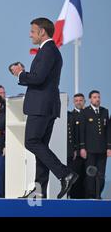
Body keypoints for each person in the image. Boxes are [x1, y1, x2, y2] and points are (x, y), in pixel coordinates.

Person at [10, 17, 77, 199]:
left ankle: (65, 174)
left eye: (32, 31)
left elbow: (38, 78)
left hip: (41, 106)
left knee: (31, 142)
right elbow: (41, 77)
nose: (30, 35)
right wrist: (25, 74)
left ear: (42, 32)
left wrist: (21, 73)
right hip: (46, 105)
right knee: (40, 146)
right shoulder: (48, 51)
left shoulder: (48, 51)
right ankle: (39, 191)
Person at [79, 90, 110, 199]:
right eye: (95, 97)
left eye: (98, 97)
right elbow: (82, 131)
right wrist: (82, 147)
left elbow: (108, 131)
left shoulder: (104, 111)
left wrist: (109, 147)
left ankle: (98, 194)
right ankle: (90, 195)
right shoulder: (85, 112)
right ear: (90, 99)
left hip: (102, 149)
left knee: (101, 174)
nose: (97, 99)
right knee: (90, 174)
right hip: (90, 149)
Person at [67, 93, 86, 198]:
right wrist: (76, 150)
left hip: (89, 151)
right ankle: (75, 197)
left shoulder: (88, 114)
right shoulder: (71, 116)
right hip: (77, 153)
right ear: (74, 102)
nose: (79, 102)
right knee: (77, 176)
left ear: (84, 101)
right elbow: (74, 135)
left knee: (87, 177)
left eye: (81, 100)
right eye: (76, 100)